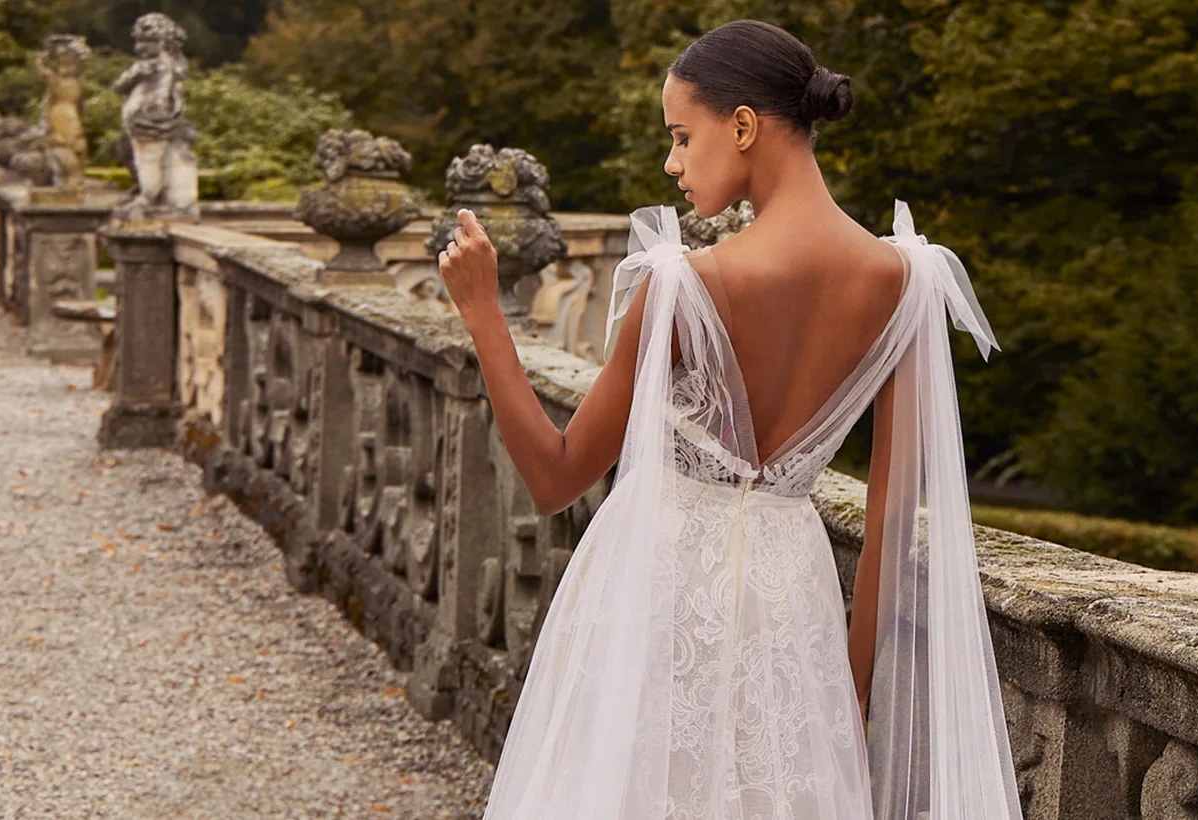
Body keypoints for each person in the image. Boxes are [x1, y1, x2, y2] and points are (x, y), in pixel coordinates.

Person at [438, 19, 1025, 820]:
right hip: (797, 614)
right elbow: (891, 520)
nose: (671, 163)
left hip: (657, 601)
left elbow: (554, 474)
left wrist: (483, 316)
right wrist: (848, 697)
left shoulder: (684, 287)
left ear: (743, 125)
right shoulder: (908, 282)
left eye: (682, 136)